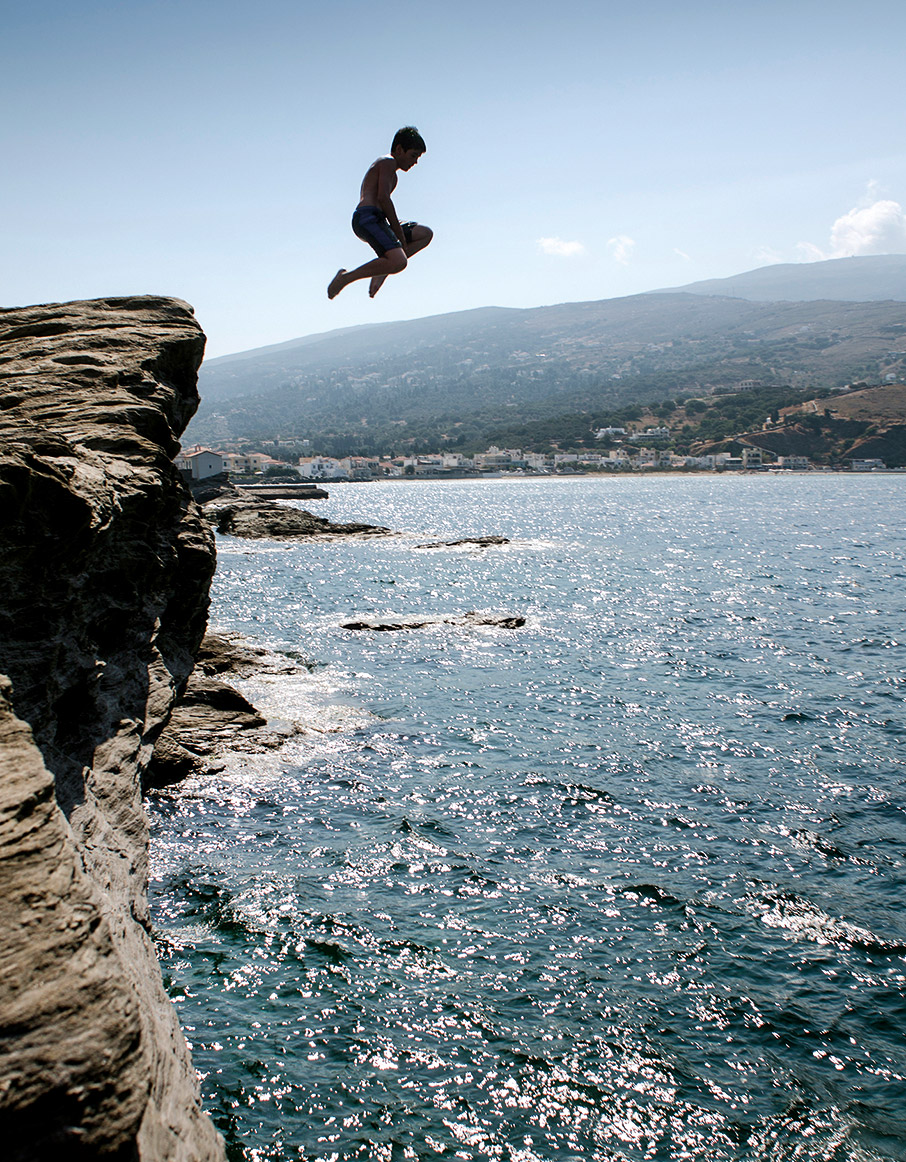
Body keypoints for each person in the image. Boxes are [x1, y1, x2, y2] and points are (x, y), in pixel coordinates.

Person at [328, 126, 433, 300]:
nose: (415, 162)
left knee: (425, 234)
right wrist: (398, 233)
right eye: (413, 155)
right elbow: (383, 198)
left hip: (378, 219)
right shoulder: (387, 161)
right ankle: (346, 278)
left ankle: (384, 269)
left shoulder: (394, 176)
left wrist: (397, 235)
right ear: (399, 149)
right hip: (367, 217)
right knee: (400, 262)